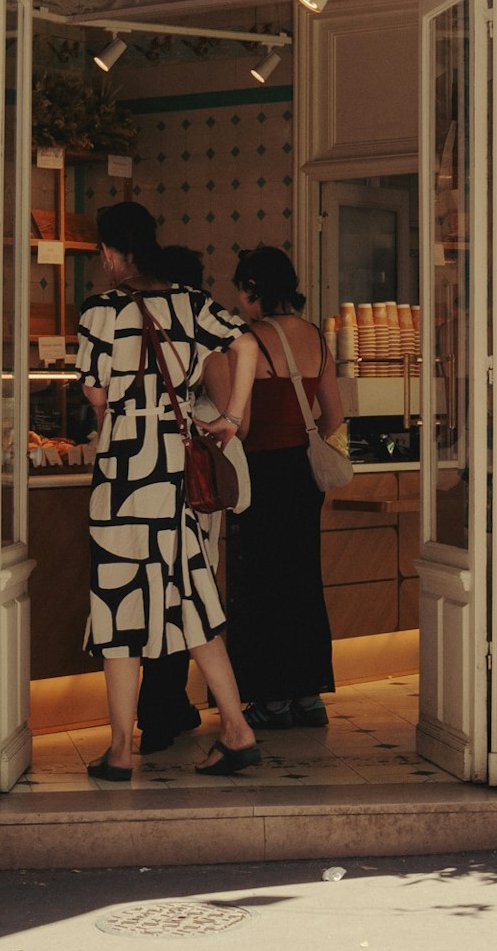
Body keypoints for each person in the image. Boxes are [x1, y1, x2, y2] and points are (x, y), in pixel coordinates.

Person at [73, 204, 262, 783]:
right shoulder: (190, 302)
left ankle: (120, 750)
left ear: (110, 251)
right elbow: (246, 345)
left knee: (118, 600)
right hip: (173, 469)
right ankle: (236, 728)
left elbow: (99, 398)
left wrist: (122, 422)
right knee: (190, 596)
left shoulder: (100, 312)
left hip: (125, 473)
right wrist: (230, 417)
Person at [223, 245, 350, 729]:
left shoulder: (248, 339)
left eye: (242, 289)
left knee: (260, 583)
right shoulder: (317, 337)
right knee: (302, 579)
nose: (239, 299)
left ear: (254, 289)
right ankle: (308, 694)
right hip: (302, 474)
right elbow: (335, 415)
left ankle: (270, 698)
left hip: (262, 473)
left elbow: (246, 422)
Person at [133, 244, 245, 755]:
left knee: (160, 590)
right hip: (188, 476)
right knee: (187, 593)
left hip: (154, 475)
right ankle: (170, 706)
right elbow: (224, 399)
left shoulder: (130, 319)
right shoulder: (200, 324)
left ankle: (160, 709)